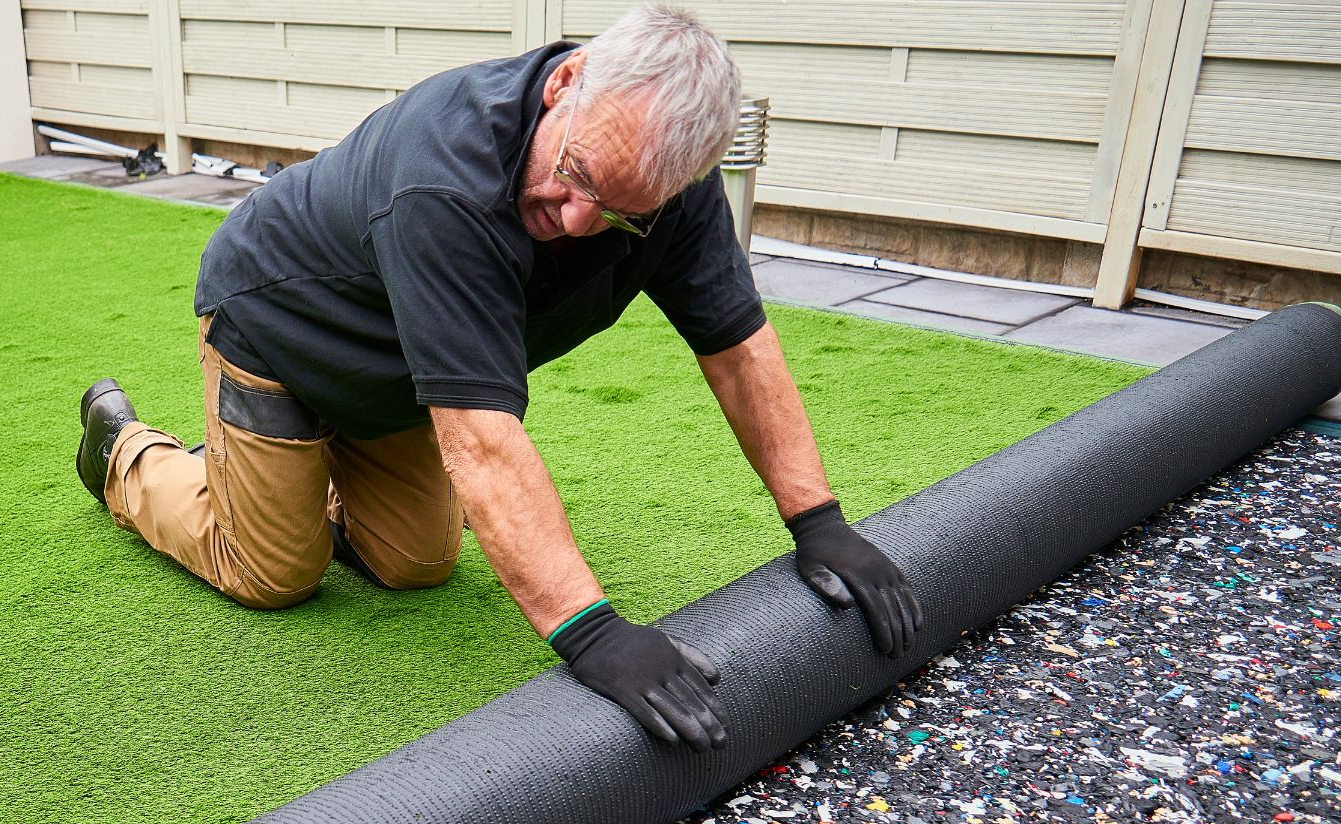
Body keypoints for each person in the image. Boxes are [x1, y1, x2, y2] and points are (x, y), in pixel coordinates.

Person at [74, 2, 921, 752]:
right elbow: (480, 443)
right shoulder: (447, 177)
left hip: (400, 367)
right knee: (274, 575)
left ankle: (281, 474)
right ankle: (126, 453)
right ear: (567, 82)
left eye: (619, 210)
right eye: (577, 174)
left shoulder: (663, 185)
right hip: (281, 333)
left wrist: (820, 521)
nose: (578, 220)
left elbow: (739, 350)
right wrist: (593, 635)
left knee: (416, 564)